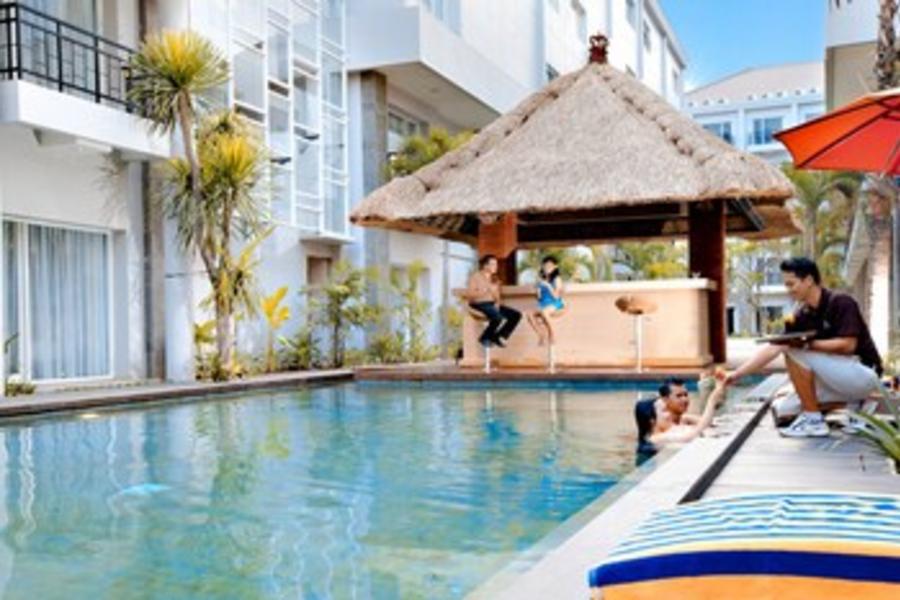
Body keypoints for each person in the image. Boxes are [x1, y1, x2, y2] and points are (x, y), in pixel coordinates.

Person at [726, 257, 883, 438]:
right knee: (783, 409)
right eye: (786, 285)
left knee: (794, 350)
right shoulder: (802, 314)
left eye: (791, 284)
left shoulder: (841, 302)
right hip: (838, 380)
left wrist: (807, 345)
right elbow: (773, 348)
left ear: (808, 280)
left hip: (864, 374)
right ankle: (855, 405)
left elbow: (848, 345)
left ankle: (814, 421)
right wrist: (736, 375)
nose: (788, 290)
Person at [635, 373, 726, 454]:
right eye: (664, 411)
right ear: (652, 421)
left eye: (686, 395)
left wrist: (719, 388)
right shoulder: (655, 439)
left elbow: (707, 423)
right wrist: (712, 401)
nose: (668, 413)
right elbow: (690, 437)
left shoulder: (675, 425)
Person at [465, 254, 522, 347]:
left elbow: (497, 295)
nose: (496, 267)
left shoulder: (495, 278)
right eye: (493, 264)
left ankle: (499, 336)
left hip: (491, 304)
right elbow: (470, 294)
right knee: (498, 317)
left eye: (496, 264)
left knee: (516, 315)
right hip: (478, 303)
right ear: (485, 265)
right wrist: (486, 290)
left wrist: (497, 303)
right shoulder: (475, 277)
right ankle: (484, 338)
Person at [526, 256, 566, 346]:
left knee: (544, 312)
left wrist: (548, 285)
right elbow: (539, 298)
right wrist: (537, 291)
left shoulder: (557, 279)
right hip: (543, 304)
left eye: (550, 266)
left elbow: (556, 296)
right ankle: (541, 334)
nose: (547, 268)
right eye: (545, 266)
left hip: (555, 303)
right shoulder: (541, 279)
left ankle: (552, 334)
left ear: (555, 267)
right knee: (529, 314)